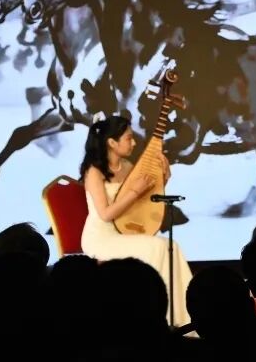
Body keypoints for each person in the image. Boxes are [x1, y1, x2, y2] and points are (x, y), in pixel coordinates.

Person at [79, 114, 193, 327]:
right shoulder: (93, 171)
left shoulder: (128, 166)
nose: (133, 143)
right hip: (101, 237)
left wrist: (163, 177)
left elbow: (143, 202)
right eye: (128, 138)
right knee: (159, 247)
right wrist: (134, 191)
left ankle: (182, 319)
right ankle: (158, 319)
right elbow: (105, 214)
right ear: (112, 143)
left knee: (171, 246)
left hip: (125, 232)